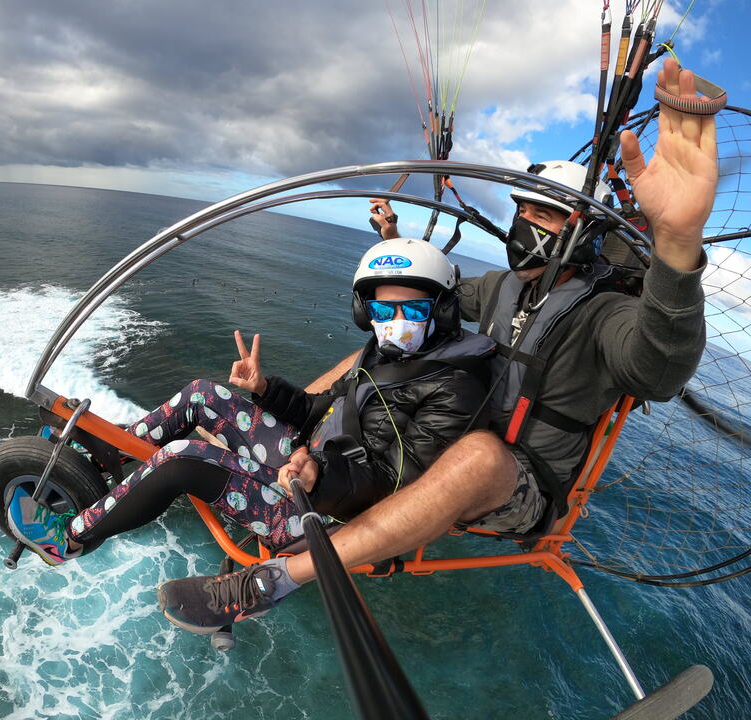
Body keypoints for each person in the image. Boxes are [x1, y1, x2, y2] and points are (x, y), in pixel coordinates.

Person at [156, 58, 715, 634]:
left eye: (543, 213)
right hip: (449, 430)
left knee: (477, 457)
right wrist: (393, 241)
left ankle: (274, 580)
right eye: (523, 209)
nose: (525, 221)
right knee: (377, 355)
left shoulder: (608, 316)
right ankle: (295, 443)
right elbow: (431, 291)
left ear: (582, 231)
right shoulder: (504, 286)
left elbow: (658, 370)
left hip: (514, 480)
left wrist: (676, 245)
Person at [7, 238, 495, 572]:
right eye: (384, 310)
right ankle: (115, 459)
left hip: (329, 514)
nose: (396, 321)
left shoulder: (455, 386)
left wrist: (318, 475)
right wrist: (263, 389)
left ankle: (68, 540)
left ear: (444, 310)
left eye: (413, 310)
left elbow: (401, 486)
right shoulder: (385, 354)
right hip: (313, 466)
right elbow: (316, 410)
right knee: (203, 393)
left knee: (186, 458)